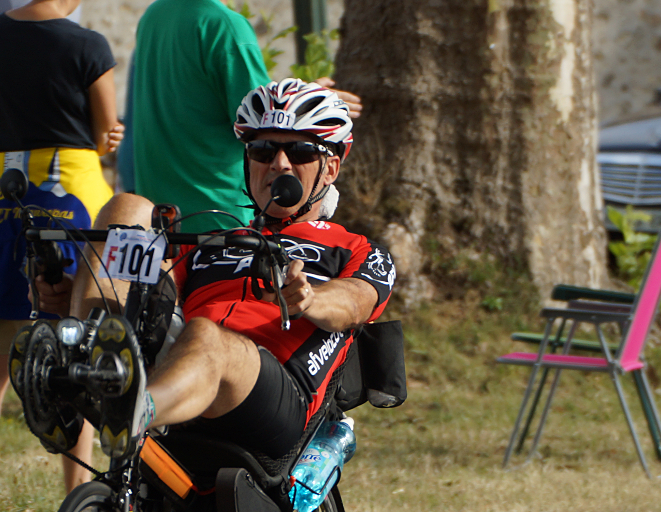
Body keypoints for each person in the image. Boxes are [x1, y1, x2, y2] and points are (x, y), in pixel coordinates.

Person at [21, 78, 394, 466]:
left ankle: (132, 411)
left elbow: (354, 301)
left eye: (299, 151)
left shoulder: (354, 247)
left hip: (276, 394)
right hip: (182, 364)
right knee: (128, 209)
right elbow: (148, 293)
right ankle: (83, 366)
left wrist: (310, 298)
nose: (279, 164)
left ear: (330, 167)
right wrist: (75, 292)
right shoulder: (217, 239)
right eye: (263, 150)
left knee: (207, 336)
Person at [0, 0, 122, 512]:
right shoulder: (88, 45)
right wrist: (107, 136)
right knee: (76, 351)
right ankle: (76, 495)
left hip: (3, 196)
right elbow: (103, 133)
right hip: (69, 197)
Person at [126, 0, 362, 232]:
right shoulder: (223, 25)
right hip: (220, 217)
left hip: (161, 218)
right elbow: (265, 118)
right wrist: (308, 99)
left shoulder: (154, 14)